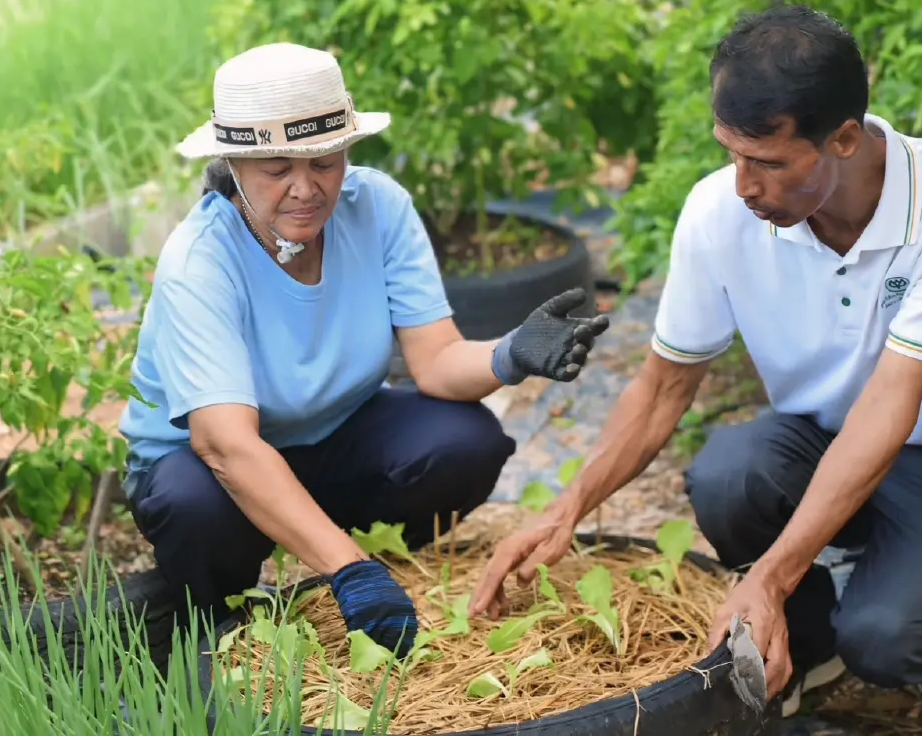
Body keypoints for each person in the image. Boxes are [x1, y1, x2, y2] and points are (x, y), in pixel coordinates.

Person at [470, 4, 922, 714]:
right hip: (815, 440)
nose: (744, 185)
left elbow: (894, 401)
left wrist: (768, 577)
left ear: (842, 139)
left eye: (768, 162)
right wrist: (568, 507)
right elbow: (661, 390)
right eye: (731, 153)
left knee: (888, 642)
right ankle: (808, 641)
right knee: (728, 474)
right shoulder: (720, 212)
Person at [119, 42, 609, 657]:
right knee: (196, 507)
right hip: (207, 467)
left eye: (325, 162)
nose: (306, 188)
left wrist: (511, 354)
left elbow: (434, 362)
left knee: (466, 443)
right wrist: (349, 569)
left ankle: (360, 573)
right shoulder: (200, 260)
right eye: (277, 170)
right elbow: (226, 444)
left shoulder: (377, 206)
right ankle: (229, 608)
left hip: (330, 433)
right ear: (235, 165)